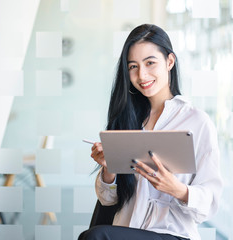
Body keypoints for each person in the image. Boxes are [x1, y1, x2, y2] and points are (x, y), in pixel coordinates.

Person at [78, 24, 223, 240]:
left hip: (172, 233)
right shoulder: (127, 119)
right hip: (125, 230)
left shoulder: (196, 122)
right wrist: (109, 171)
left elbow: (210, 202)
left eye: (150, 63)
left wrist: (177, 189)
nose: (141, 74)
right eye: (133, 66)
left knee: (96, 237)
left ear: (170, 62)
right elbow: (108, 202)